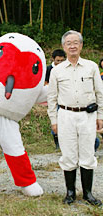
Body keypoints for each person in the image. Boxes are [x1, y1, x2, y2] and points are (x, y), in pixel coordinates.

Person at [47, 30, 103, 206]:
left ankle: (87, 193)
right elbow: (52, 98)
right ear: (64, 47)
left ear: (81, 45)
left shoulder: (92, 67)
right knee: (69, 155)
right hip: (65, 115)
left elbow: (100, 94)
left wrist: (101, 116)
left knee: (87, 154)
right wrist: (53, 121)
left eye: (75, 42)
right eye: (68, 43)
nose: (72, 46)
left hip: (88, 115)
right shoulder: (57, 71)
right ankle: (70, 192)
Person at [45, 49, 66, 149]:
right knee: (55, 121)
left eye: (62, 60)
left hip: (65, 99)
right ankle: (57, 142)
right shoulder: (49, 69)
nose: (60, 63)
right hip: (54, 98)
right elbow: (45, 83)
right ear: (53, 59)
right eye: (58, 60)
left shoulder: (66, 68)